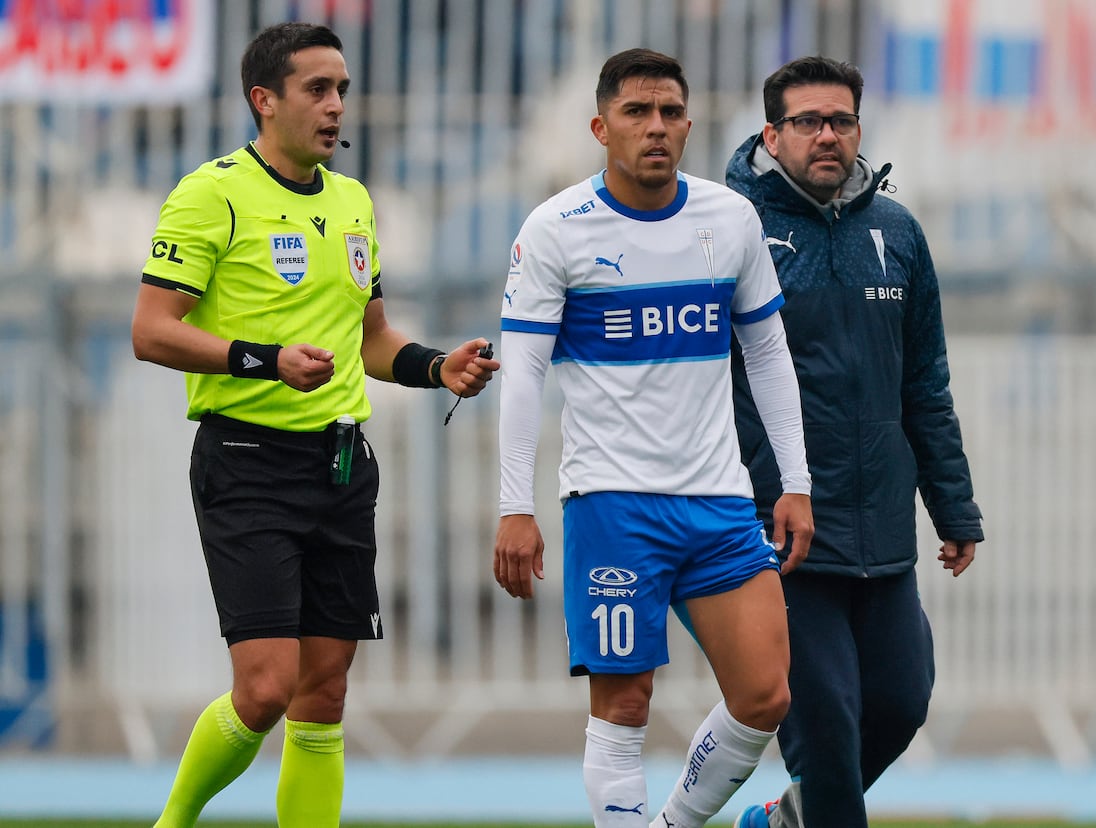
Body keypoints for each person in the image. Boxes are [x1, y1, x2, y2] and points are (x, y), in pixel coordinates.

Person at [132, 22, 497, 828]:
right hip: (246, 462)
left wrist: (439, 366)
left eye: (343, 91)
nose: (336, 107)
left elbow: (370, 340)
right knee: (264, 688)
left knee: (323, 694)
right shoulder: (211, 193)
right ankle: (172, 822)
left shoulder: (353, 200)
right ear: (264, 100)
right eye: (317, 90)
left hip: (339, 467)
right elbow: (151, 329)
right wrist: (263, 359)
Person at [492, 48, 813, 828]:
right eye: (637, 112)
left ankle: (672, 824)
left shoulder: (730, 219)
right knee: (625, 704)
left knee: (766, 694)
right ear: (602, 127)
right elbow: (524, 373)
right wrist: (514, 504)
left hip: (720, 501)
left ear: (689, 123)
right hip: (613, 505)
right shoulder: (556, 230)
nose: (656, 127)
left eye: (670, 111)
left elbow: (767, 353)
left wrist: (795, 482)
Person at [725, 56, 985, 828]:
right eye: (807, 121)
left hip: (882, 530)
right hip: (783, 532)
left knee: (902, 703)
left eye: (841, 120)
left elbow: (925, 383)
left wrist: (955, 507)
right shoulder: (731, 227)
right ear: (772, 135)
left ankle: (786, 819)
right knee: (828, 728)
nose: (827, 135)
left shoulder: (897, 233)